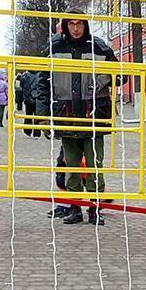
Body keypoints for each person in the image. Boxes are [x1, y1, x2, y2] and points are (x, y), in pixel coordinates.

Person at [34, 16, 120, 225]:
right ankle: (74, 209)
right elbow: (43, 85)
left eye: (79, 23)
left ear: (85, 25)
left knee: (94, 168)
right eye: (71, 24)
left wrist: (102, 78)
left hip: (93, 118)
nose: (75, 28)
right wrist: (43, 118)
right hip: (67, 117)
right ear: (65, 26)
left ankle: (94, 209)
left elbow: (121, 74)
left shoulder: (98, 47)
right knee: (71, 168)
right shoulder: (55, 48)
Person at [16, 70, 42, 138]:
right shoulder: (40, 74)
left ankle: (27, 131)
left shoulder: (25, 75)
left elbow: (21, 85)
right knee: (37, 116)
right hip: (38, 98)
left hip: (28, 98)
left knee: (28, 115)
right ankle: (37, 133)